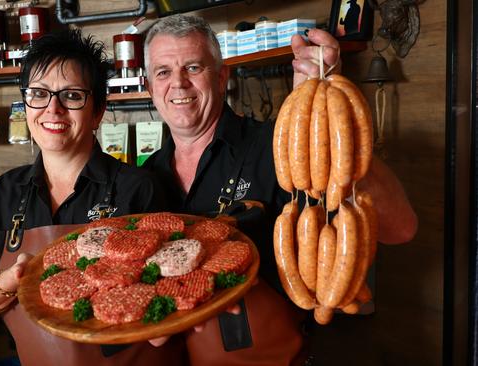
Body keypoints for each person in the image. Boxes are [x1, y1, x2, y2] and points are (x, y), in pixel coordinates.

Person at [142, 14, 417, 365]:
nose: (178, 84)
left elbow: (401, 227)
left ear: (222, 76)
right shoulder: (146, 177)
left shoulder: (278, 144)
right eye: (163, 71)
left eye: (193, 67)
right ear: (149, 87)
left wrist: (333, 130)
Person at [0, 29, 186, 366]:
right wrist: (11, 280)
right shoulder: (5, 192)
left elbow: (162, 329)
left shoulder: (138, 188)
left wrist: (110, 277)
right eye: (39, 94)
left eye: (72, 96)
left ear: (98, 111)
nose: (53, 109)